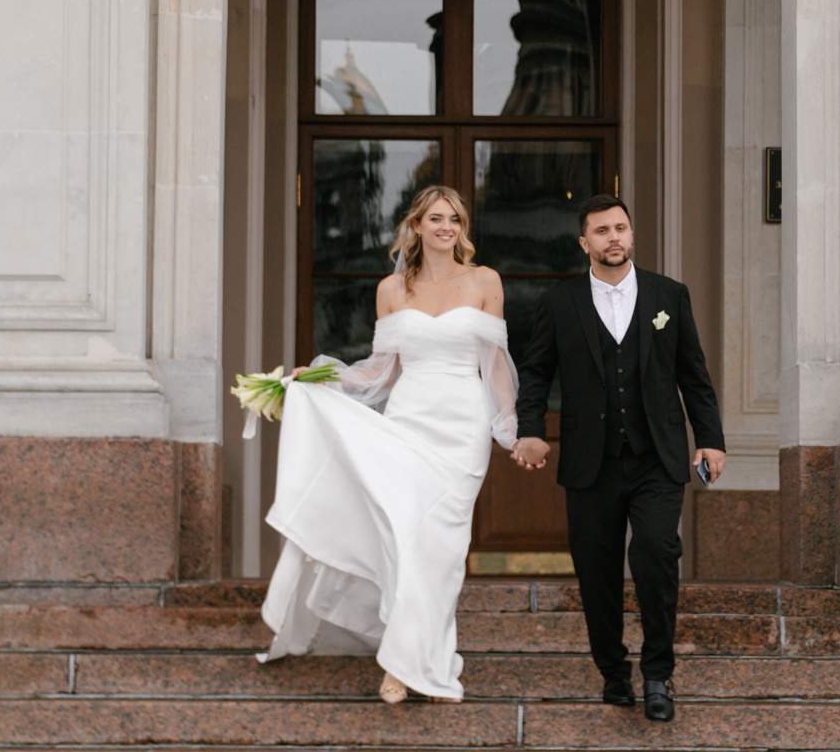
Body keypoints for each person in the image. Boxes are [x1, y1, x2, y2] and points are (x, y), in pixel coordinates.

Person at [256, 185, 519, 704]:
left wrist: (510, 428)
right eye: (437, 218)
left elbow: (494, 364)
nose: (448, 227)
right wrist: (323, 378)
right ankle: (400, 663)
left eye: (456, 220)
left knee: (441, 550)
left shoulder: (485, 281)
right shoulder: (392, 290)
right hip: (408, 423)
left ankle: (424, 658)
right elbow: (382, 370)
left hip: (462, 428)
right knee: (405, 539)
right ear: (416, 226)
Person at [511, 196, 725, 722]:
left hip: (658, 455)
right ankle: (613, 671)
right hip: (591, 461)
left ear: (631, 235)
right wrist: (531, 431)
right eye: (602, 230)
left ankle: (658, 674)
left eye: (621, 228)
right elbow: (536, 373)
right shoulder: (558, 302)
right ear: (584, 242)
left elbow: (692, 374)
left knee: (656, 553)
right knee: (596, 571)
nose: (614, 237)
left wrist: (711, 438)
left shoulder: (668, 295)